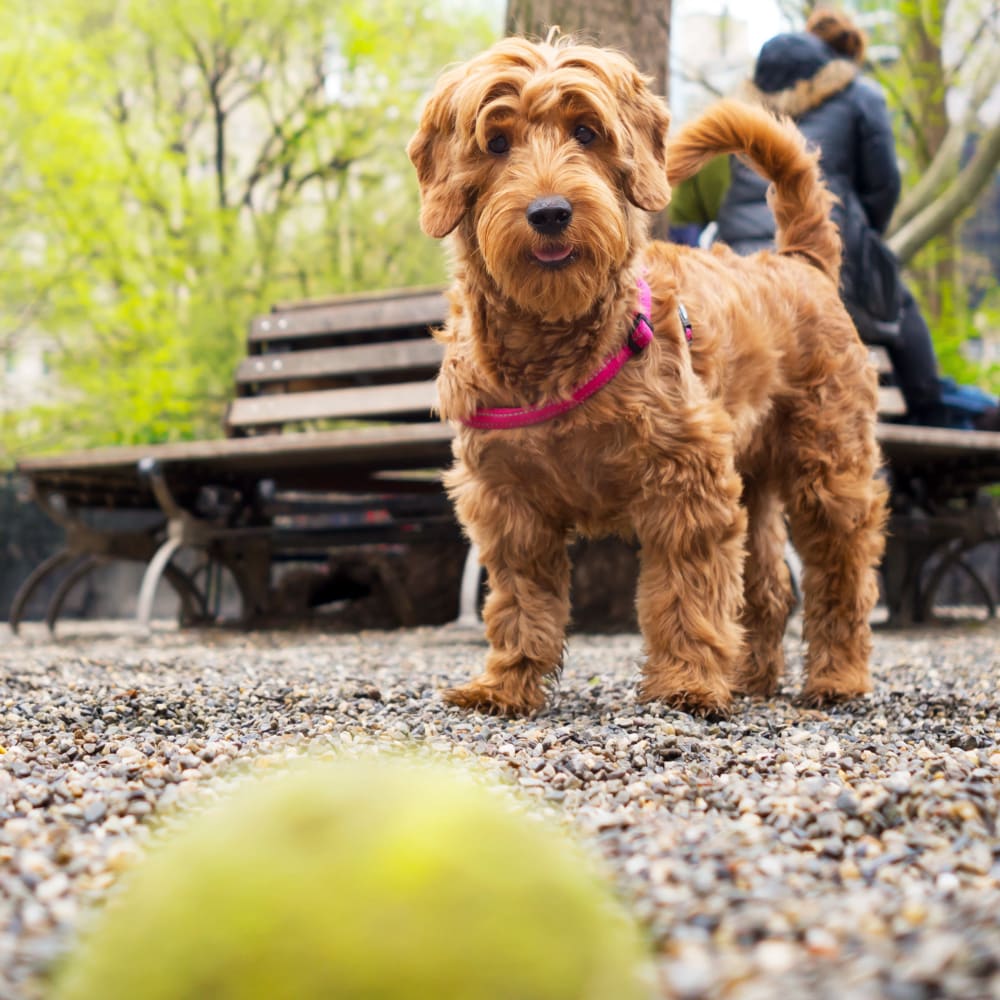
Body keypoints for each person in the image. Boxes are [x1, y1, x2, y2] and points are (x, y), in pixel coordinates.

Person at [698, 7, 999, 430]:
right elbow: (883, 190)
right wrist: (857, 235)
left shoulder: (745, 105)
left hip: (734, 268)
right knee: (897, 303)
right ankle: (932, 405)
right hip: (822, 263)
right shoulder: (862, 94)